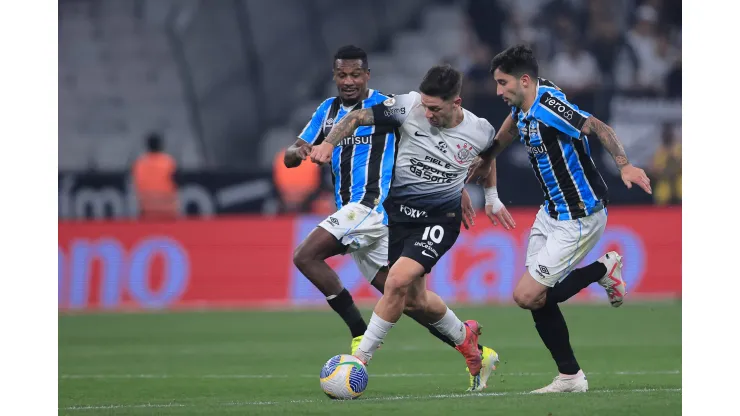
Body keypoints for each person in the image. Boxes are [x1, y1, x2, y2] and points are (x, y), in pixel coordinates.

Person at [310, 64, 516, 391]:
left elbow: (487, 159)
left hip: (439, 220)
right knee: (414, 301)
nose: (427, 113)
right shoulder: (409, 105)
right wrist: (329, 144)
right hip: (399, 216)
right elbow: (355, 118)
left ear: (456, 102)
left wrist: (490, 196)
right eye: (425, 105)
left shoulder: (480, 130)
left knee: (397, 280)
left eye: (435, 108)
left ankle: (359, 359)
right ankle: (469, 343)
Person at [468, 45, 651, 393]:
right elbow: (511, 126)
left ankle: (604, 269)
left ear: (524, 80)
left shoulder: (550, 106)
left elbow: (596, 126)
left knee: (527, 296)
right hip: (550, 212)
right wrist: (489, 154)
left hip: (578, 216)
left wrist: (624, 164)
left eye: (502, 83)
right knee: (537, 298)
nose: (497, 91)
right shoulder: (523, 103)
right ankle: (570, 376)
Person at [131, 132, 178, 220]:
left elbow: (135, 184)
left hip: (146, 208)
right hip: (167, 208)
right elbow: (177, 182)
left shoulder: (139, 163)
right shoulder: (168, 162)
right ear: (161, 145)